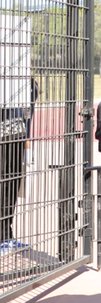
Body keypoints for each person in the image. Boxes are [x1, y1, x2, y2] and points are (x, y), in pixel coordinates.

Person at [0, 77, 36, 243]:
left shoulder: (21, 76)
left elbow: (32, 94)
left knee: (12, 183)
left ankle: (6, 233)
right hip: (9, 133)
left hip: (16, 133)